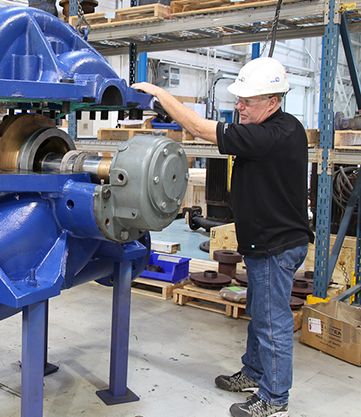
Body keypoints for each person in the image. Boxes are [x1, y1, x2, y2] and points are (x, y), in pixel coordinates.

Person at [132, 57, 314, 417]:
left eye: (248, 101)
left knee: (272, 321)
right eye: (239, 99)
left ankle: (275, 398)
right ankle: (254, 373)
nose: (239, 107)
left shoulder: (266, 136)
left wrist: (158, 94)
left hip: (275, 246)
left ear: (273, 101)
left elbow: (199, 128)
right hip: (270, 241)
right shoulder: (286, 125)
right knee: (260, 313)